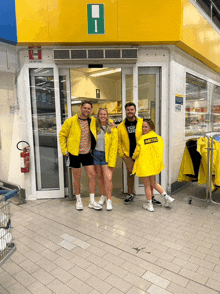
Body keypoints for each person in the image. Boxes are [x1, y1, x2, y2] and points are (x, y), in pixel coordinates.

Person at [59, 101, 102, 211]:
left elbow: (104, 120)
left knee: (92, 176)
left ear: (91, 110)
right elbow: (62, 135)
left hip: (87, 153)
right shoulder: (71, 121)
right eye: (85, 108)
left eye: (89, 108)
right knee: (77, 178)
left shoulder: (92, 121)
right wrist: (64, 150)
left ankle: (92, 201)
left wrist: (112, 124)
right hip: (75, 153)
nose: (87, 110)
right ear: (80, 108)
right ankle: (78, 200)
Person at [117, 102, 162, 205]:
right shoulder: (120, 127)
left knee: (148, 176)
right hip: (129, 155)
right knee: (130, 174)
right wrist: (123, 157)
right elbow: (118, 143)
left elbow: (150, 134)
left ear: (135, 111)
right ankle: (130, 194)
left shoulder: (142, 123)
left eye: (132, 109)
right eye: (128, 110)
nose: (130, 111)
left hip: (143, 155)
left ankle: (152, 197)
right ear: (125, 111)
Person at [132, 119, 175, 211]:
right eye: (143, 127)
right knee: (153, 183)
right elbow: (161, 148)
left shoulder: (142, 139)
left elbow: (136, 153)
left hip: (144, 165)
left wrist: (133, 157)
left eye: (146, 127)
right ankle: (167, 198)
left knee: (147, 185)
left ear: (151, 127)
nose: (143, 128)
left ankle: (149, 205)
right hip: (153, 165)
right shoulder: (158, 138)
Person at [93, 108, 118, 211]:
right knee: (99, 177)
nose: (103, 116)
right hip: (96, 155)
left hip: (106, 156)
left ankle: (109, 200)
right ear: (98, 116)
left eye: (104, 114)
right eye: (101, 114)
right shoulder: (94, 127)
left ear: (107, 116)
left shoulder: (112, 128)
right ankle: (102, 196)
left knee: (108, 179)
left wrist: (112, 160)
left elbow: (114, 146)